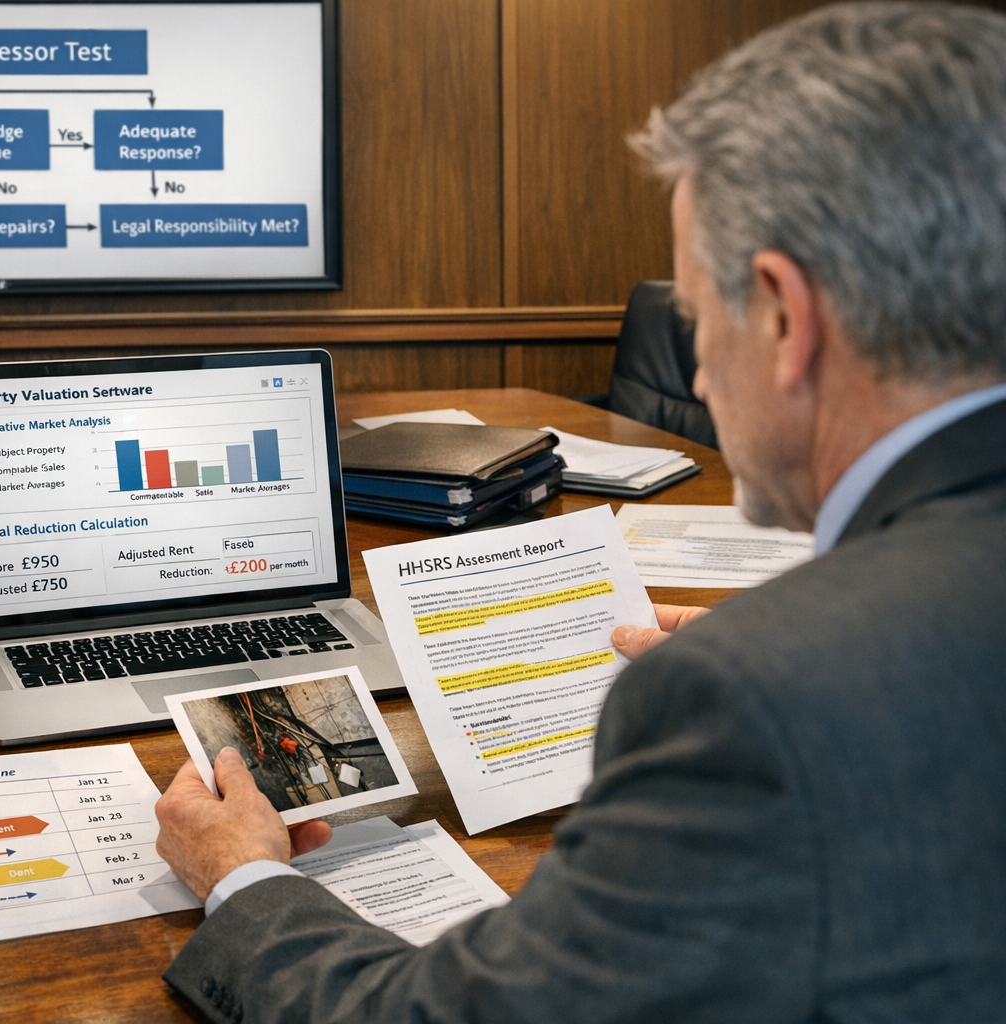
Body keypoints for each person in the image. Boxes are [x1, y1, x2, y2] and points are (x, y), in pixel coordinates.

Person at [153, 4, 1006, 1020]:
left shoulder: (744, 703)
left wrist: (244, 877)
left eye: (695, 317)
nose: (695, 366)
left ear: (784, 316)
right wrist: (809, 654)